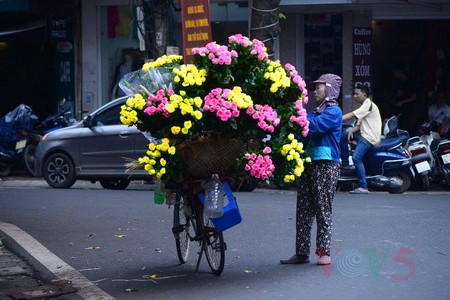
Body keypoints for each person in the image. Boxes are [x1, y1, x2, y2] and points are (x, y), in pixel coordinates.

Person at [280, 73, 342, 266]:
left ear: (330, 89)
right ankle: (301, 253)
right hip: (308, 163)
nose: (315, 90)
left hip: (326, 164)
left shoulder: (333, 112)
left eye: (319, 87)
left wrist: (298, 117)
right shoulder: (314, 112)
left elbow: (312, 128)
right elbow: (302, 131)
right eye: (315, 87)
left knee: (323, 208)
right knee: (304, 209)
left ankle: (324, 252)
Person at [342, 84, 382, 194]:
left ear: (364, 95)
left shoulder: (368, 104)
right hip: (364, 135)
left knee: (356, 158)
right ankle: (345, 164)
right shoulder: (364, 106)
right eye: (354, 94)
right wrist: (350, 131)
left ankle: (363, 186)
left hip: (369, 138)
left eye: (357, 94)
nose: (354, 96)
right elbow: (358, 126)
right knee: (342, 136)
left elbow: (351, 115)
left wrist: (336, 118)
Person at [390, 63, 417, 133]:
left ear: (399, 72)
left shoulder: (410, 82)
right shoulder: (397, 82)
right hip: (398, 109)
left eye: (395, 72)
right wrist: (394, 100)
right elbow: (398, 94)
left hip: (407, 109)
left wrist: (402, 102)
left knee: (406, 128)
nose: (394, 74)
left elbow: (414, 97)